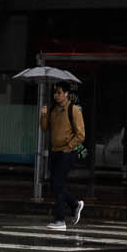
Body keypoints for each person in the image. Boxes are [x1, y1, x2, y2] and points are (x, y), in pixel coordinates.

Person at [41, 82, 88, 231]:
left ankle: (60, 219)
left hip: (67, 153)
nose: (56, 95)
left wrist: (68, 147)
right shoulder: (53, 110)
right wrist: (43, 115)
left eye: (59, 92)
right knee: (55, 184)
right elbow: (44, 127)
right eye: (55, 92)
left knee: (58, 183)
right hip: (55, 151)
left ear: (67, 94)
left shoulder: (73, 110)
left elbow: (81, 135)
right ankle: (75, 204)